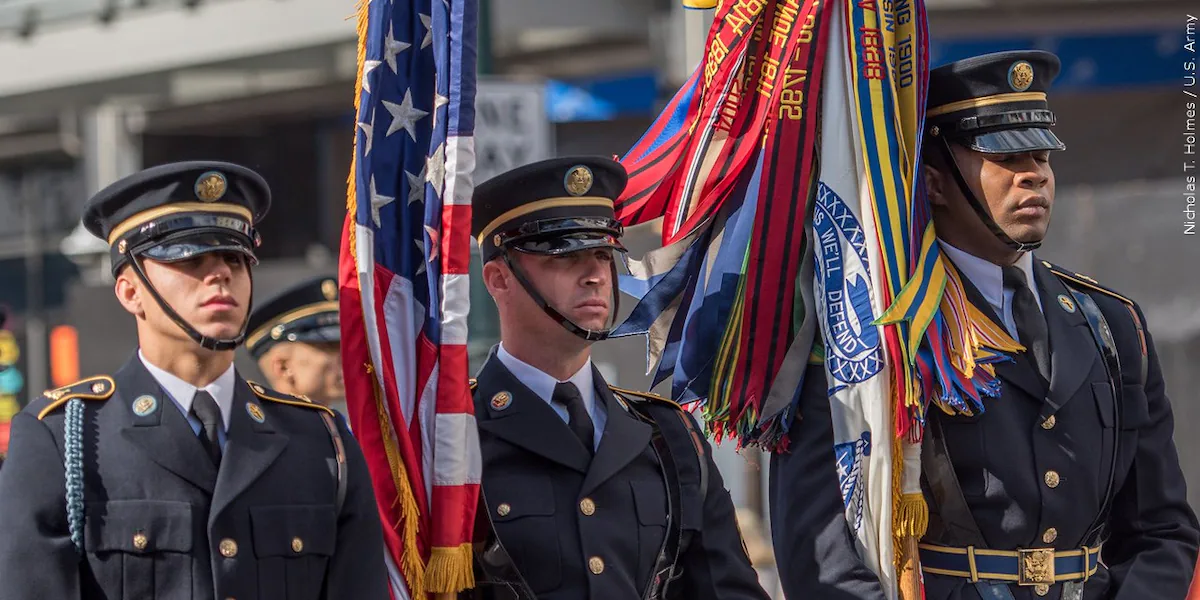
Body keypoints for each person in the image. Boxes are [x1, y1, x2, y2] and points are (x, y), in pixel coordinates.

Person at [769, 50, 1199, 600]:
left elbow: (1161, 529)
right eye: (1006, 158)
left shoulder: (1112, 323)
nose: (1035, 176)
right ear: (934, 184)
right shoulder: (875, 330)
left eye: (1042, 155)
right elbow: (822, 557)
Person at [0, 161, 389, 599]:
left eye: (235, 258)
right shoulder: (64, 438)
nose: (220, 274)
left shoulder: (322, 442)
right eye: (189, 258)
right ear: (130, 291)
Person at [463, 157, 769, 600]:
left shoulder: (667, 435)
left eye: (602, 255)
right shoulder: (454, 435)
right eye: (564, 256)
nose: (594, 276)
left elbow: (726, 590)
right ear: (498, 279)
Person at [245, 275, 346, 414]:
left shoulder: (345, 431)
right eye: (329, 347)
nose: (345, 357)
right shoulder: (255, 434)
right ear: (283, 367)